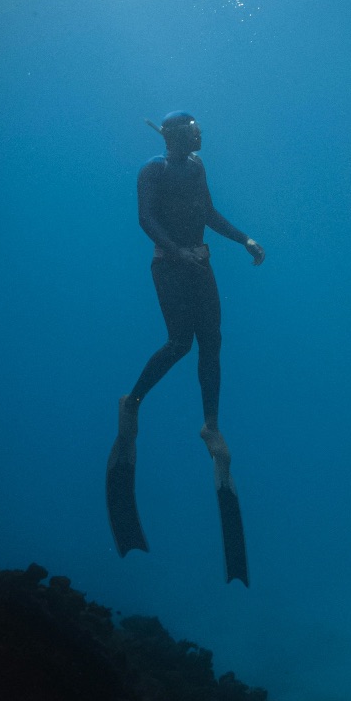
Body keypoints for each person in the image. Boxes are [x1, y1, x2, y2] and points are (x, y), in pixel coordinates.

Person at [106, 110, 265, 585]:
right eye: (192, 131)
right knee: (179, 343)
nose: (199, 136)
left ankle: (211, 427)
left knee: (212, 343)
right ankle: (131, 403)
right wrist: (177, 253)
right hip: (170, 266)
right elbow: (145, 218)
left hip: (200, 264)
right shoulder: (152, 170)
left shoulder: (195, 166)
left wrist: (244, 239)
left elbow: (208, 214)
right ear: (175, 135)